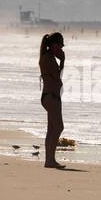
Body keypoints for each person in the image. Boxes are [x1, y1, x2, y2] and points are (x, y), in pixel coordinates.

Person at [38, 32, 66, 168]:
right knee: (59, 127)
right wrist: (63, 61)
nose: (61, 49)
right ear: (53, 46)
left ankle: (49, 160)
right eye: (59, 46)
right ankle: (50, 160)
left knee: (51, 129)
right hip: (51, 96)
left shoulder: (47, 57)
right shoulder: (48, 59)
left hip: (50, 96)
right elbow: (57, 77)